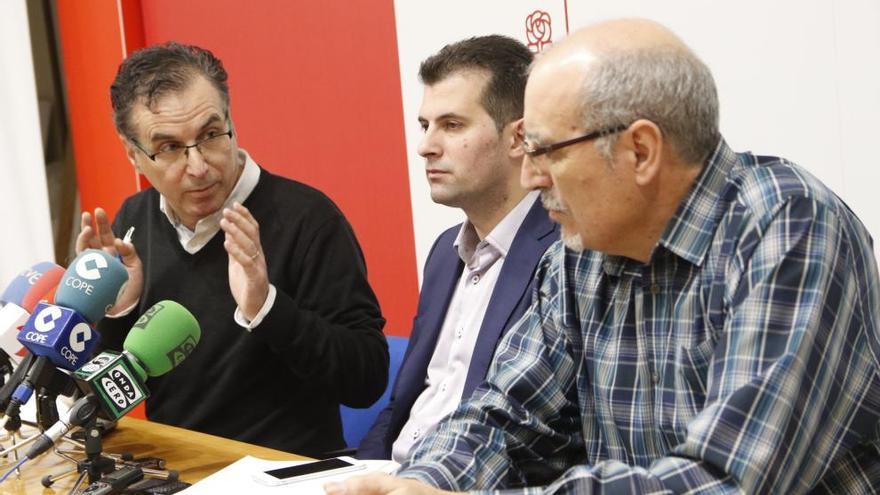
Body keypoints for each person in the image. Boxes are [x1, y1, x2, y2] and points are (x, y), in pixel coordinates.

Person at [327, 18, 880, 494]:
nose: (529, 176)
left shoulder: (787, 228)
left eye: (545, 150)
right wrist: (428, 481)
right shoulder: (580, 254)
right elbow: (506, 417)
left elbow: (726, 479)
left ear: (640, 150)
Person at [76, 42, 388, 456]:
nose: (200, 167)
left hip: (284, 474)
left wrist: (267, 308)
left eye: (210, 135)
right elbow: (108, 404)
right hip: (180, 469)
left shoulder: (308, 219)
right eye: (169, 148)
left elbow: (366, 379)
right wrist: (117, 312)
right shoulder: (134, 220)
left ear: (231, 121)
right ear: (133, 154)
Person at [357, 35, 557, 461]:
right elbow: (403, 406)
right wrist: (355, 474)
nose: (426, 146)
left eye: (452, 125)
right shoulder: (443, 253)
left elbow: (529, 435)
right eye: (424, 125)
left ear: (518, 138)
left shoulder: (563, 254)